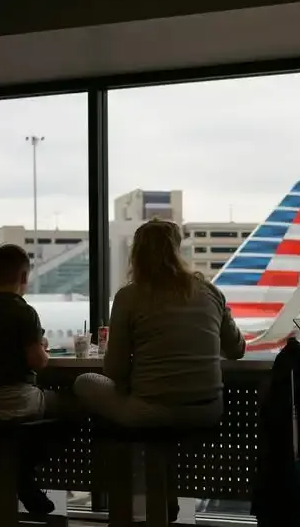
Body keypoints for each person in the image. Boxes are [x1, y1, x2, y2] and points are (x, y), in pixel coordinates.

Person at [73, 219, 247, 518]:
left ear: (136, 255)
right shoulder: (210, 292)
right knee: (157, 432)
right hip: (206, 410)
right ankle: (165, 498)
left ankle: (127, 506)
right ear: (177, 250)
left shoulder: (129, 296)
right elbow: (237, 349)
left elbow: (114, 370)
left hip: (150, 411)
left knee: (84, 382)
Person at [0, 244, 60, 514]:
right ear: (23, 277)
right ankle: (25, 473)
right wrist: (41, 347)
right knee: (73, 408)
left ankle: (14, 472)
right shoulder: (23, 311)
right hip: (17, 401)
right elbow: (37, 361)